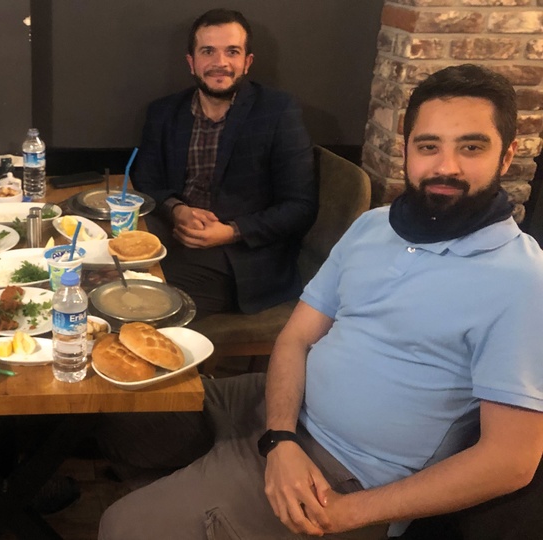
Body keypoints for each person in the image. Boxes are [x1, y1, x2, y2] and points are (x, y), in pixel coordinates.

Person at [98, 64, 543, 539]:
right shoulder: (375, 226)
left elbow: (510, 461)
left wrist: (346, 514)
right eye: (428, 145)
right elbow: (295, 338)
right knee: (122, 409)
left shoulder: (521, 280)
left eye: (471, 147)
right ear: (408, 149)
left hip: (342, 475)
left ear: (507, 155)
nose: (445, 166)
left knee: (121, 527)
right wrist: (281, 435)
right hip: (280, 412)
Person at [132, 8, 318, 318]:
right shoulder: (163, 112)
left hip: (243, 259)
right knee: (103, 272)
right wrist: (176, 210)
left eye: (232, 51)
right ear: (192, 62)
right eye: (208, 52)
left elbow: (300, 206)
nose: (220, 63)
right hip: (171, 237)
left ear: (247, 61)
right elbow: (146, 179)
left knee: (142, 303)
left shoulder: (278, 112)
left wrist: (231, 231)